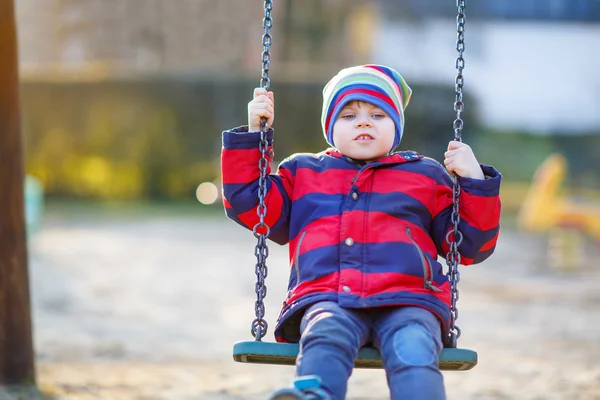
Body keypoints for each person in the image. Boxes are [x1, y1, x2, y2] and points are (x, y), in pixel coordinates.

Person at [221, 65, 502, 400]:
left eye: (378, 114)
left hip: (409, 299)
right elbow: (250, 205)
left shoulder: (425, 176)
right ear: (330, 127)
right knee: (324, 336)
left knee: (413, 348)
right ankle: (314, 396)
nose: (364, 122)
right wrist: (255, 136)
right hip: (329, 297)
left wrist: (473, 182)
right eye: (349, 115)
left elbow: (469, 245)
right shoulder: (304, 173)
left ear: (396, 126)